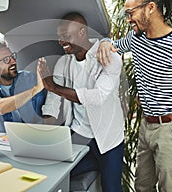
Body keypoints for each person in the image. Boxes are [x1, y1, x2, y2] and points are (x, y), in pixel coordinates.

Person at [96, 0, 172, 191]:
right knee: (142, 186)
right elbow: (115, 46)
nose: (128, 20)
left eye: (130, 13)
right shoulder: (136, 39)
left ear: (151, 8)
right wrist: (104, 42)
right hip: (147, 127)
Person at [38, 12, 125, 192]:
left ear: (82, 32)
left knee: (111, 188)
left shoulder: (109, 56)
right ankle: (92, 164)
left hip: (108, 138)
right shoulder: (64, 62)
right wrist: (46, 136)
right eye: (59, 37)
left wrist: (53, 87)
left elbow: (98, 97)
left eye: (66, 36)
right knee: (55, 177)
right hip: (79, 135)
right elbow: (53, 101)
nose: (61, 41)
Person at [0, 41, 46, 132]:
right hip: (0, 142)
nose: (13, 61)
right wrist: (35, 90)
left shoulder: (31, 79)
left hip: (33, 136)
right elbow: (0, 107)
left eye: (12, 56)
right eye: (6, 59)